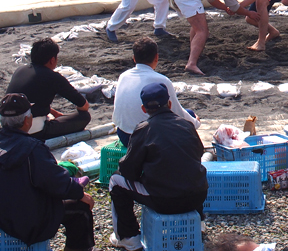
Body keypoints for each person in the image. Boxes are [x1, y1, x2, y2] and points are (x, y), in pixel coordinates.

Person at [109, 83, 207, 251]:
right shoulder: (187, 125)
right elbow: (198, 154)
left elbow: (128, 171)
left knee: (115, 181)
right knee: (191, 171)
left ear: (144, 108)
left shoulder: (144, 129)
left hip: (164, 201)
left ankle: (129, 238)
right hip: (197, 196)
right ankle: (199, 225)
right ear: (169, 104)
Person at [0, 93, 95, 251]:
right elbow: (58, 183)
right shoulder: (33, 149)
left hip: (4, 219)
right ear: (27, 120)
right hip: (32, 221)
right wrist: (79, 192)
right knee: (80, 209)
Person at [112, 37, 200, 147]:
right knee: (189, 115)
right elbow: (178, 113)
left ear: (134, 58)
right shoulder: (162, 80)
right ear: (156, 57)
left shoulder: (123, 76)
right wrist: (195, 123)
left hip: (124, 134)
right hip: (151, 138)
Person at [6, 38, 91, 140]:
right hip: (33, 131)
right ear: (52, 60)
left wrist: (53, 112)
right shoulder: (53, 77)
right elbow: (83, 105)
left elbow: (26, 99)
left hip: (7, 127)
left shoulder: (20, 70)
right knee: (84, 117)